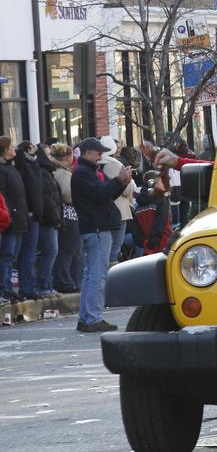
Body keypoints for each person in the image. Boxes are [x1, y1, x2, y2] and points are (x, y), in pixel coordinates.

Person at [72, 137, 132, 332]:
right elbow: (101, 195)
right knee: (96, 275)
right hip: (96, 229)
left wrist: (120, 183)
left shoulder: (86, 172)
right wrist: (118, 180)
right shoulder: (83, 174)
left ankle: (87, 316)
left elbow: (105, 194)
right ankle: (92, 317)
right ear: (88, 152)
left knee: (92, 274)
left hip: (95, 228)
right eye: (98, 152)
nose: (100, 156)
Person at [0, 137, 29, 302]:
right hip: (10, 219)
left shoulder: (11, 168)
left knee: (13, 255)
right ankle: (4, 287)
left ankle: (8, 287)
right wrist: (10, 213)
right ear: (4, 149)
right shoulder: (3, 170)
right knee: (7, 254)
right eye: (11, 147)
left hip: (18, 217)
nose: (15, 149)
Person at [99, 136, 136, 264]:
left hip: (107, 210)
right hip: (119, 210)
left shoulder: (99, 164)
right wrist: (130, 182)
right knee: (115, 248)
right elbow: (127, 189)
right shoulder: (115, 165)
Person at [50, 143, 81, 293]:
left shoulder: (58, 172)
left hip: (67, 215)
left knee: (70, 250)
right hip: (69, 215)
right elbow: (68, 195)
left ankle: (69, 280)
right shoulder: (63, 174)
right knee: (68, 250)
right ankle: (64, 281)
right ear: (68, 158)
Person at [15, 141, 44, 300]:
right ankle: (27, 287)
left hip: (34, 213)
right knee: (27, 253)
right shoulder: (24, 165)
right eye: (33, 147)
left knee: (30, 253)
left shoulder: (33, 165)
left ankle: (29, 286)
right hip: (28, 214)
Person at [35, 146, 63, 298]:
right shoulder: (44, 173)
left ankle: (47, 285)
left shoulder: (48, 173)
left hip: (50, 219)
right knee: (50, 252)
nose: (51, 157)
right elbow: (48, 199)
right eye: (48, 154)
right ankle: (44, 286)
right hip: (48, 221)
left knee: (51, 253)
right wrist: (55, 219)